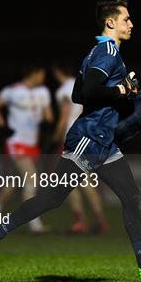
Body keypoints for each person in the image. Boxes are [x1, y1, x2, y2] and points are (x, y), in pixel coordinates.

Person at [0, 0, 141, 282]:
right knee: (51, 199)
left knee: (131, 196)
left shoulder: (98, 52)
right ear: (110, 22)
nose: (131, 24)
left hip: (105, 142)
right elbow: (90, 89)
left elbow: (78, 95)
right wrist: (121, 90)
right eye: (126, 19)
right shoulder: (107, 52)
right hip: (88, 138)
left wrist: (124, 92)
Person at [0, 65, 53, 234]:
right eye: (42, 73)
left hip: (32, 144)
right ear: (34, 73)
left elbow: (48, 116)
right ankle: (34, 223)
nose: (44, 77)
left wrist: (45, 117)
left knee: (15, 182)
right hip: (17, 142)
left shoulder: (42, 92)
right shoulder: (12, 91)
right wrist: (4, 127)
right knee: (32, 180)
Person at [53, 63, 110, 235]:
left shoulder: (63, 90)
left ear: (57, 71)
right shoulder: (84, 85)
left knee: (74, 183)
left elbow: (64, 116)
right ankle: (98, 221)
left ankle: (82, 222)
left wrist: (55, 137)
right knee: (83, 181)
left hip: (72, 139)